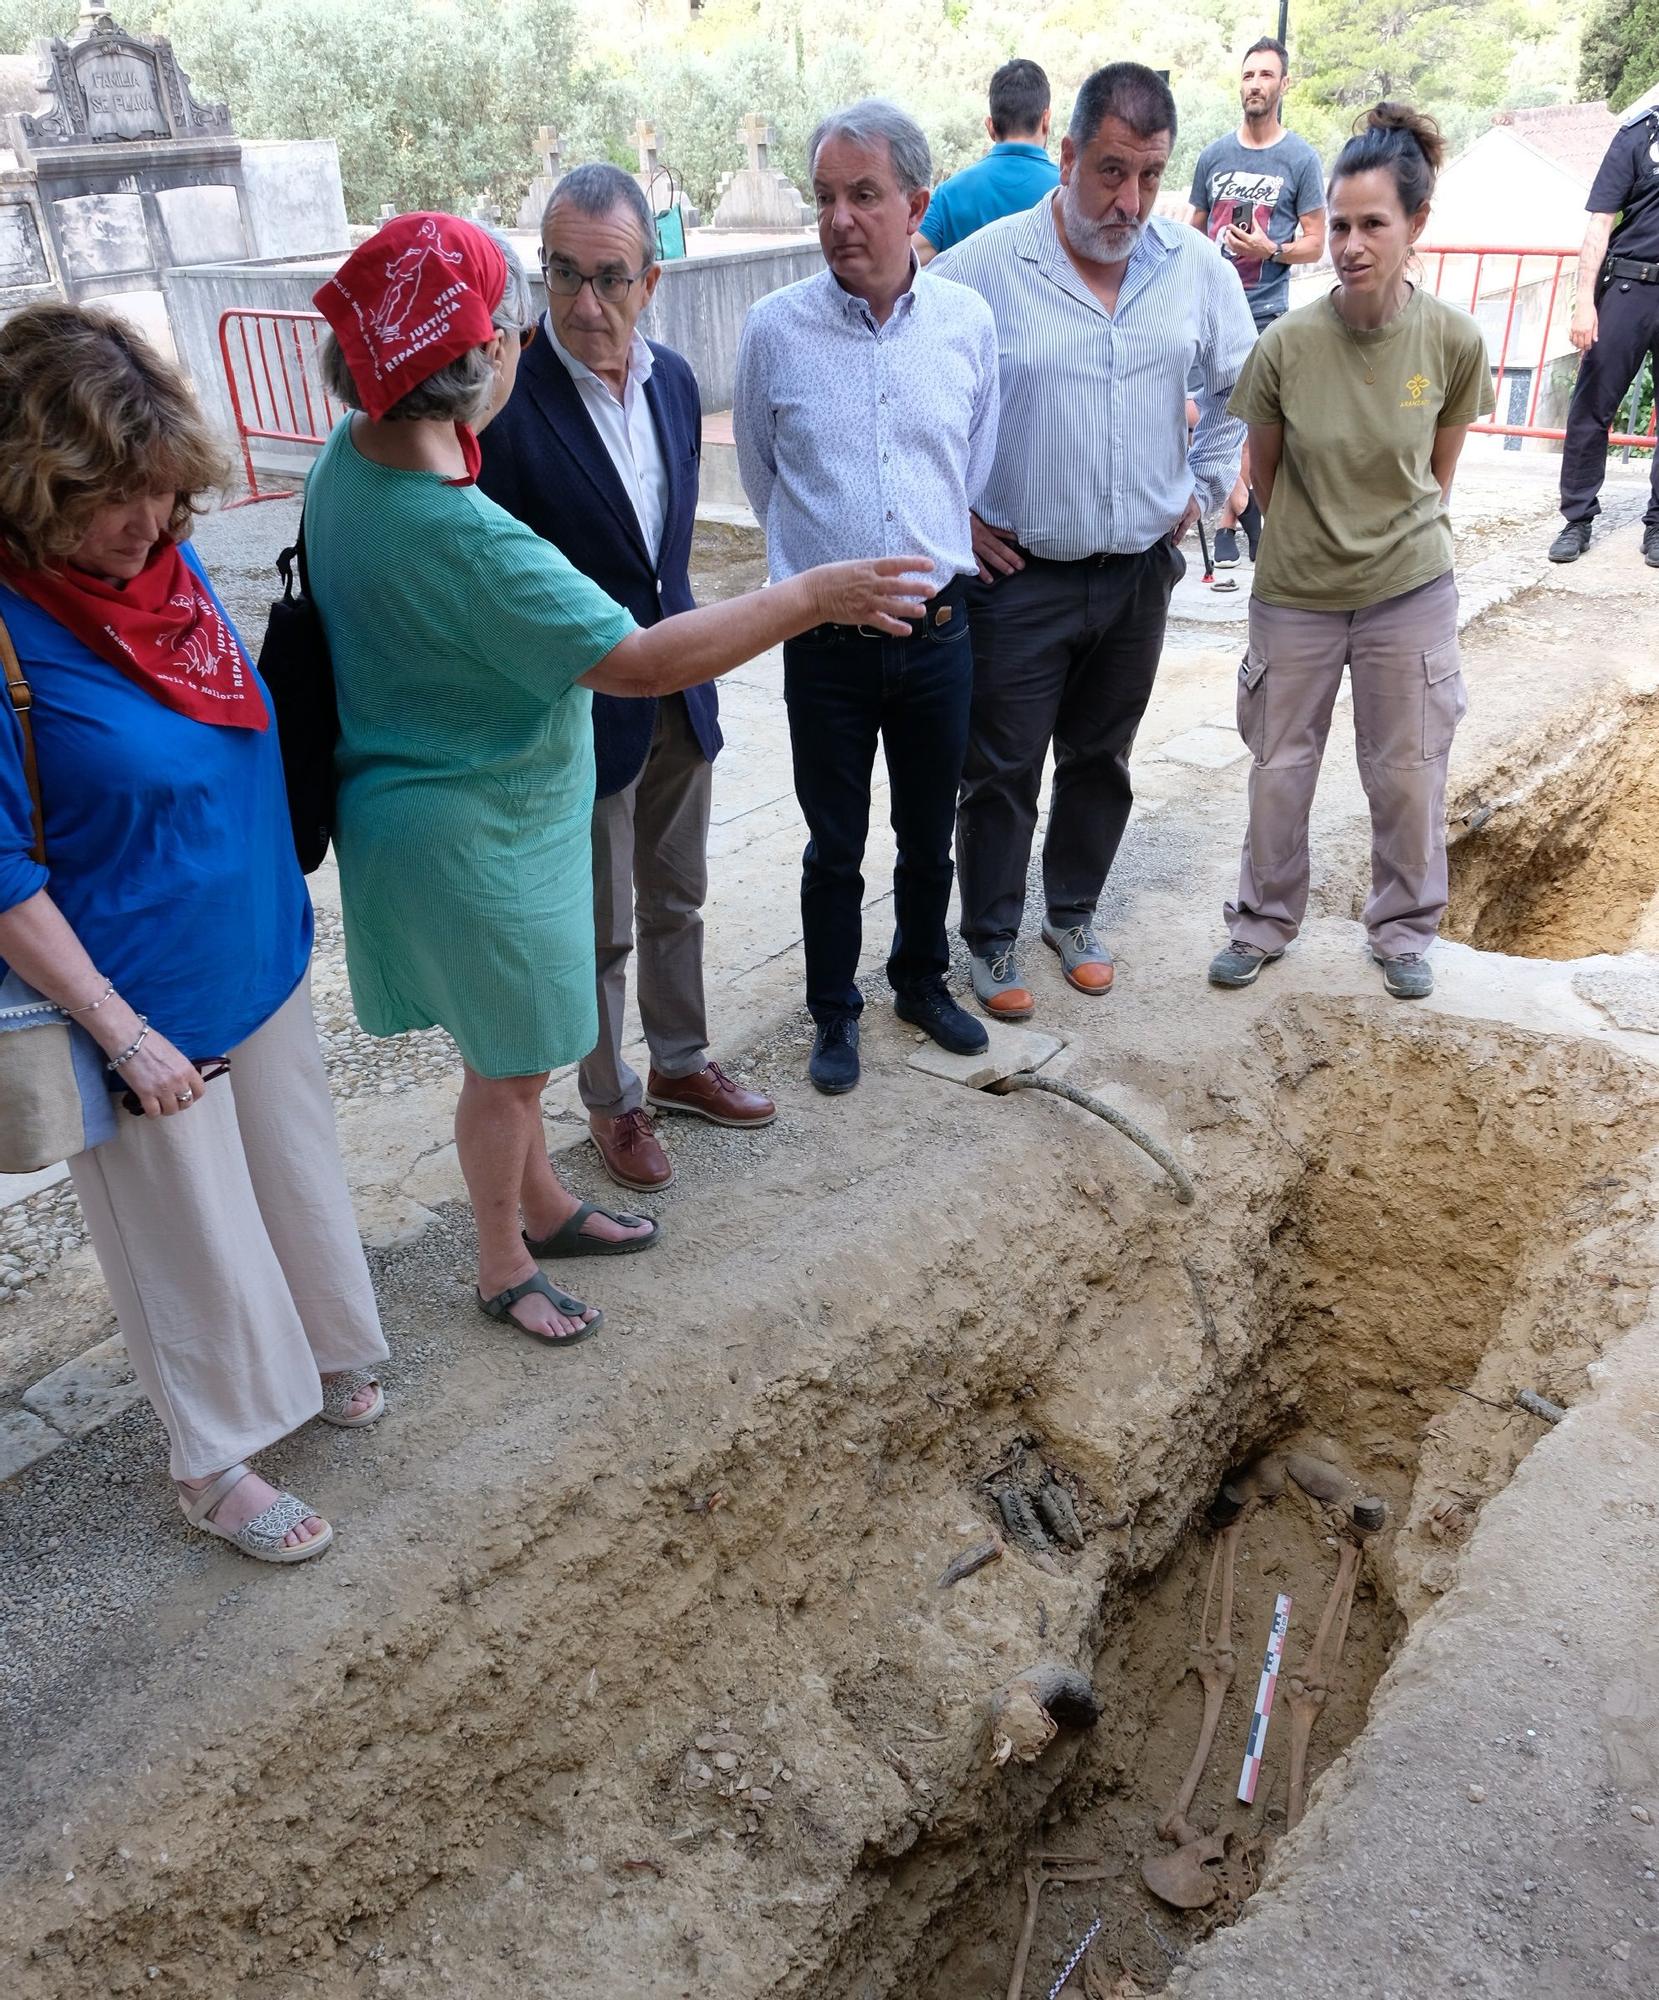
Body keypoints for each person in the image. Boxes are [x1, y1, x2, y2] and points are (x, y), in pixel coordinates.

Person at [306, 214, 931, 1344]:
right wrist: (811, 593)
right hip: (472, 837)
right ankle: (503, 1258)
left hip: (435, 811)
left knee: (515, 1043)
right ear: (484, 357)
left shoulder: (353, 455)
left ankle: (544, 1201)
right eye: (514, 317)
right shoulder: (459, 535)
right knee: (510, 1065)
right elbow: (636, 659)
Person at [0, 302, 387, 1565]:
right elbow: (2, 876)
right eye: (117, 499)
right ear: (33, 485)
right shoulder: (12, 628)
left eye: (165, 492)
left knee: (289, 1176)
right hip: (133, 996)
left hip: (254, 948)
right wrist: (119, 1034)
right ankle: (211, 1454)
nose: (151, 522)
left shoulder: (159, 574)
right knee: (186, 1235)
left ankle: (325, 1346)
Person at [931, 62, 1255, 1022]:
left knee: (1101, 758)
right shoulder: (982, 268)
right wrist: (952, 519)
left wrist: (1203, 483)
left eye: (1149, 176)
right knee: (998, 769)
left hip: (1135, 577)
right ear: (1065, 154)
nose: (1129, 200)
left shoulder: (1188, 266)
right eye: (1111, 171)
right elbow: (912, 395)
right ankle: (989, 938)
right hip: (1018, 577)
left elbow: (1241, 380)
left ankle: (1070, 915)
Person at [479, 165, 774, 1198]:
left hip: (678, 693)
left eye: (609, 277)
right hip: (578, 712)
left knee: (680, 894)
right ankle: (613, 1099)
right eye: (563, 275)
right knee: (601, 923)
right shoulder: (507, 404)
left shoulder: (678, 383)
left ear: (652, 278)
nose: (584, 303)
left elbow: (665, 560)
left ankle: (684, 1060)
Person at [734, 100, 1001, 1095]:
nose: (841, 218)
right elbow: (766, 479)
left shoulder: (969, 324)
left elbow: (969, 464)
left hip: (939, 635)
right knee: (833, 844)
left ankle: (921, 982)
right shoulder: (776, 330)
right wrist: (823, 578)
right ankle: (833, 1012)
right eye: (826, 198)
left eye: (864, 195)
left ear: (915, 203)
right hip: (829, 648)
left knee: (929, 830)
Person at [1207, 104, 1494, 1002]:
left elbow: (1433, 478)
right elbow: (1268, 469)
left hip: (1407, 588)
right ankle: (1262, 921)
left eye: (1374, 223)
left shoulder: (1452, 341)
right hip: (1295, 589)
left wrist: (1389, 548)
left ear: (1415, 226)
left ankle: (1403, 928)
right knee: (1278, 769)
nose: (1353, 243)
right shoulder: (1286, 344)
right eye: (1338, 225)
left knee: (1407, 772)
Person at [1189, 37, 1327, 567]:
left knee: (1256, 420)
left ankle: (1235, 518)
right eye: (1248, 75)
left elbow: (1316, 240)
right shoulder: (1213, 155)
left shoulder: (1300, 158)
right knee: (1212, 411)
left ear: (1283, 85)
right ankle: (1241, 510)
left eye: (1266, 76)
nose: (1255, 84)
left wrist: (1271, 249)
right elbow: (1194, 231)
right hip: (1213, 310)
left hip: (1267, 308)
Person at [1547, 84, 1659, 570]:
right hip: (1631, 288)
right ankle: (1577, 517)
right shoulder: (1636, 136)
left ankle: (1657, 526)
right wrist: (1584, 304)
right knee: (1593, 407)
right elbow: (1599, 223)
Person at [914, 59, 1060, 265]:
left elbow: (906, 260)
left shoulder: (948, 195)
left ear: (990, 126)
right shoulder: (1069, 193)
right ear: (1046, 120)